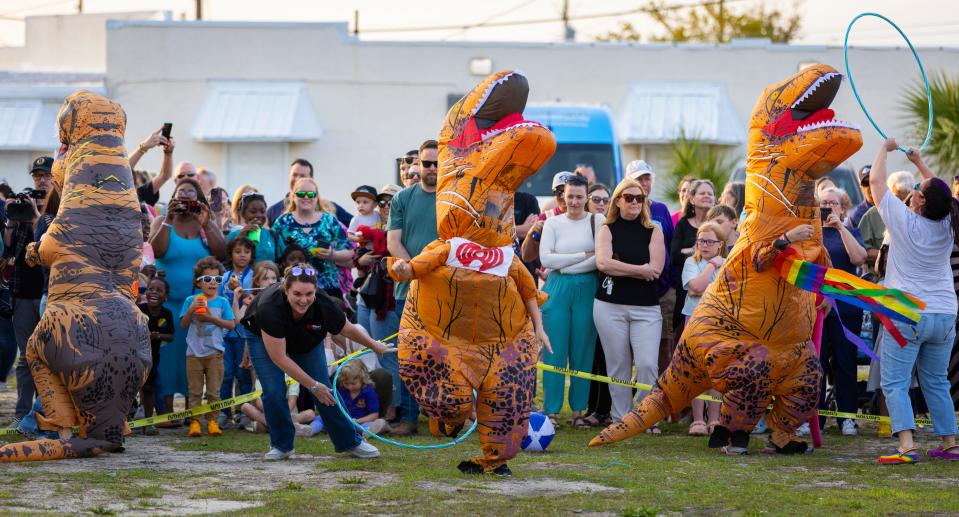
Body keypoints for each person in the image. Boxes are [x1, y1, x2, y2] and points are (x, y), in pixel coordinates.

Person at [241, 263, 387, 460]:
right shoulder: (270, 306)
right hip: (262, 336)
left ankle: (350, 441)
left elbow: (348, 329)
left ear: (315, 290)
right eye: (297, 294)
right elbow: (279, 357)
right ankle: (282, 445)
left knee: (325, 390)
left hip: (306, 338)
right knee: (274, 390)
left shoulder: (323, 303)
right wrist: (312, 385)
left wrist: (374, 345)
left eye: (309, 293)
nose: (304, 300)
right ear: (286, 289)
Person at [870, 139, 958, 464]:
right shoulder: (950, 222)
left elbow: (877, 183)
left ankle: (907, 446)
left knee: (895, 381)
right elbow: (943, 194)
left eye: (919, 189)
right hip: (944, 312)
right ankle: (950, 443)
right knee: (936, 380)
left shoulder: (903, 221)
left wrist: (884, 149)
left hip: (908, 311)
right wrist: (919, 163)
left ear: (919, 201)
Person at [150, 179, 226, 416]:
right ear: (173, 197)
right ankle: (166, 411)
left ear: (199, 199)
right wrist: (169, 220)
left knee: (192, 357)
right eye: (180, 191)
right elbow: (157, 251)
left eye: (190, 192)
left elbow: (222, 254)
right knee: (167, 359)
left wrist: (207, 223)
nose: (184, 195)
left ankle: (192, 410)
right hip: (165, 305)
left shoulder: (205, 224)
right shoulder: (162, 221)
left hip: (197, 306)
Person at [593, 178, 664, 429]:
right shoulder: (607, 228)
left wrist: (622, 268)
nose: (634, 202)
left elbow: (655, 270)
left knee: (646, 364)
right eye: (629, 197)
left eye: (640, 198)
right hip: (609, 306)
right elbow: (603, 263)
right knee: (618, 366)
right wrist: (639, 270)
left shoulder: (654, 229)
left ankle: (643, 416)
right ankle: (621, 418)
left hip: (646, 308)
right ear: (618, 201)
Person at [384, 139, 439, 435]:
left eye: (436, 163)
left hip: (445, 291)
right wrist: (415, 269)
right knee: (409, 356)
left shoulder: (451, 198)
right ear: (417, 165)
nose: (431, 169)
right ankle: (408, 417)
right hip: (408, 291)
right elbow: (394, 241)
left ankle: (443, 417)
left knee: (443, 357)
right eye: (426, 163)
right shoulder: (402, 198)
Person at [540, 174, 604, 427]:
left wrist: (566, 260)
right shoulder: (552, 223)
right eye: (570, 197)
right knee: (554, 349)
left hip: (587, 286)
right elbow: (547, 260)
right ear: (562, 197)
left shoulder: (597, 220)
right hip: (556, 287)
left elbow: (598, 257)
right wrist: (580, 255)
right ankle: (552, 410)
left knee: (583, 349)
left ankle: (579, 410)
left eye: (579, 197)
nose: (575, 202)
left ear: (586, 197)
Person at [2, 156, 53, 423]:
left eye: (45, 175)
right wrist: (11, 218)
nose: (41, 180)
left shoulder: (62, 205)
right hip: (23, 293)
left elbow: (48, 245)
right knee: (25, 359)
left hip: (50, 293)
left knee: (49, 356)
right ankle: (22, 414)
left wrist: (38, 217)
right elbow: (9, 249)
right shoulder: (24, 201)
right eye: (37, 176)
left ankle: (45, 411)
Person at [816, 186, 867, 436]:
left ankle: (847, 417)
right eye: (823, 203)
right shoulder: (811, 233)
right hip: (818, 310)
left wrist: (840, 228)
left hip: (846, 309)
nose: (828, 207)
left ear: (843, 207)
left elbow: (859, 259)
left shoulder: (850, 231)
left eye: (833, 203)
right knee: (817, 364)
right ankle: (815, 418)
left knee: (846, 363)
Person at [626, 161, 675, 376]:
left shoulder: (661, 209)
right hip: (630, 291)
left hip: (661, 291)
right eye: (639, 179)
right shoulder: (620, 210)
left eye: (647, 178)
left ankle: (661, 400)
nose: (644, 183)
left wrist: (671, 283)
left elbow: (671, 245)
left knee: (664, 347)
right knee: (629, 350)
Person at [179, 256, 235, 437]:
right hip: (193, 353)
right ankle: (195, 423)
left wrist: (210, 318)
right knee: (194, 391)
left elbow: (231, 325)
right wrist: (191, 309)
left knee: (214, 391)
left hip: (215, 353)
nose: (213, 283)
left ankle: (212, 422)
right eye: (208, 279)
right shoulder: (191, 300)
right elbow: (184, 325)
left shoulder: (223, 302)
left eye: (217, 279)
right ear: (198, 282)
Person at [682, 222, 728, 436]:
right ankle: (698, 420)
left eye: (710, 241)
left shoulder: (728, 264)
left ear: (720, 244)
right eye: (701, 240)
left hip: (719, 322)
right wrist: (711, 267)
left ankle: (715, 418)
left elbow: (727, 294)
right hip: (694, 321)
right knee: (696, 370)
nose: (705, 245)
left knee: (716, 372)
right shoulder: (691, 262)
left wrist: (701, 289)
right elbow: (696, 287)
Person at [272, 177, 353, 299]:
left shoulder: (329, 221)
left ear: (317, 198)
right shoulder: (282, 222)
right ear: (293, 197)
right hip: (293, 288)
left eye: (311, 194)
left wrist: (332, 255)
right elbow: (274, 255)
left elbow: (350, 251)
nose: (306, 197)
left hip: (327, 287)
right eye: (301, 194)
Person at [670, 179, 715, 351]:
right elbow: (674, 256)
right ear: (692, 198)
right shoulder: (683, 224)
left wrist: (688, 251)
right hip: (686, 289)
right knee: (683, 337)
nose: (706, 196)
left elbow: (722, 253)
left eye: (710, 193)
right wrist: (702, 252)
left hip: (712, 287)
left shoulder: (717, 223)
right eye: (702, 193)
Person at [217, 237, 256, 427]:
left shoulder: (254, 275)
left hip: (244, 334)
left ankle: (244, 411)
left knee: (243, 374)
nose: (242, 255)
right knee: (226, 374)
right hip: (225, 334)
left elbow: (255, 301)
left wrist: (241, 292)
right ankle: (224, 412)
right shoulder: (223, 277)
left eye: (246, 252)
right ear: (231, 254)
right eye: (238, 251)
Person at [267, 159, 353, 228]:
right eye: (294, 175)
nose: (298, 179)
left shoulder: (330, 208)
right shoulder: (273, 211)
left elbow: (355, 226)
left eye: (302, 176)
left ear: (311, 179)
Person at [138, 276, 175, 436]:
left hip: (153, 357)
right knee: (130, 388)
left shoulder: (166, 314)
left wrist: (158, 336)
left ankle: (147, 423)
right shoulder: (139, 310)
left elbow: (171, 336)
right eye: (151, 289)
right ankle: (125, 422)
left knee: (149, 388)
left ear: (165, 296)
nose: (154, 292)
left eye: (159, 290)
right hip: (135, 356)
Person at [521, 171, 572, 266]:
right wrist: (530, 234)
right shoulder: (545, 218)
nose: (563, 196)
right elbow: (527, 257)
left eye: (567, 192)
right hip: (552, 276)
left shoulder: (587, 216)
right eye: (558, 191)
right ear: (553, 193)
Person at [335, 361, 391, 435]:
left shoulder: (368, 392)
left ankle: (370, 430)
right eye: (346, 383)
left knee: (365, 426)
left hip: (362, 422)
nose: (350, 387)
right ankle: (314, 429)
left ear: (362, 379)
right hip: (345, 421)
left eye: (353, 383)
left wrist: (357, 421)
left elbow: (374, 415)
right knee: (321, 419)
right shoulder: (342, 391)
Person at [128, 126, 175, 206]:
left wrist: (168, 153)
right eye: (131, 179)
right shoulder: (111, 194)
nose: (136, 183)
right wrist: (143, 147)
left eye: (135, 181)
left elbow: (164, 176)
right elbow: (120, 171)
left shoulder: (140, 194)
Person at [227, 191, 278, 264]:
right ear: (243, 214)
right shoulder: (234, 235)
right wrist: (241, 236)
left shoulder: (271, 235)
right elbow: (229, 261)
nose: (259, 215)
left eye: (262, 211)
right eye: (253, 212)